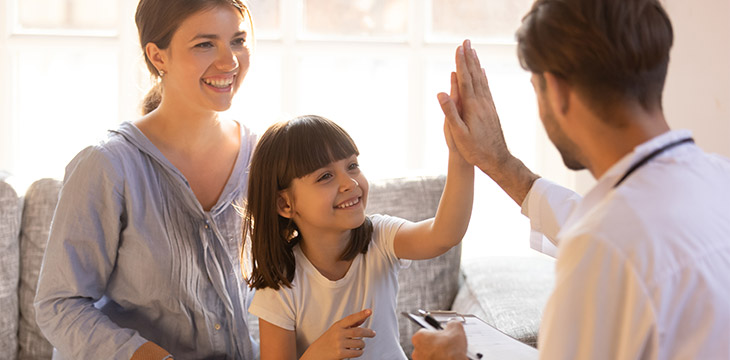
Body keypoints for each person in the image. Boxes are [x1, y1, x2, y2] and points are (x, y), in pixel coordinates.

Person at [412, 0, 730, 359]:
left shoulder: (602, 247)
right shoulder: (719, 179)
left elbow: (611, 238)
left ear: (557, 90)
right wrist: (499, 162)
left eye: (535, 86)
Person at [34, 0, 259, 359]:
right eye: (205, 44)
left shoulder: (264, 157)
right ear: (158, 57)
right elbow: (59, 305)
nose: (229, 61)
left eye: (238, 40)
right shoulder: (107, 165)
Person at [244, 114, 474, 359]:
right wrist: (318, 354)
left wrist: (461, 157)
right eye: (325, 176)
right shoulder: (280, 284)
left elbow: (444, 235)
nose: (349, 182)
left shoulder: (381, 237)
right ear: (285, 203)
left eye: (352, 165)